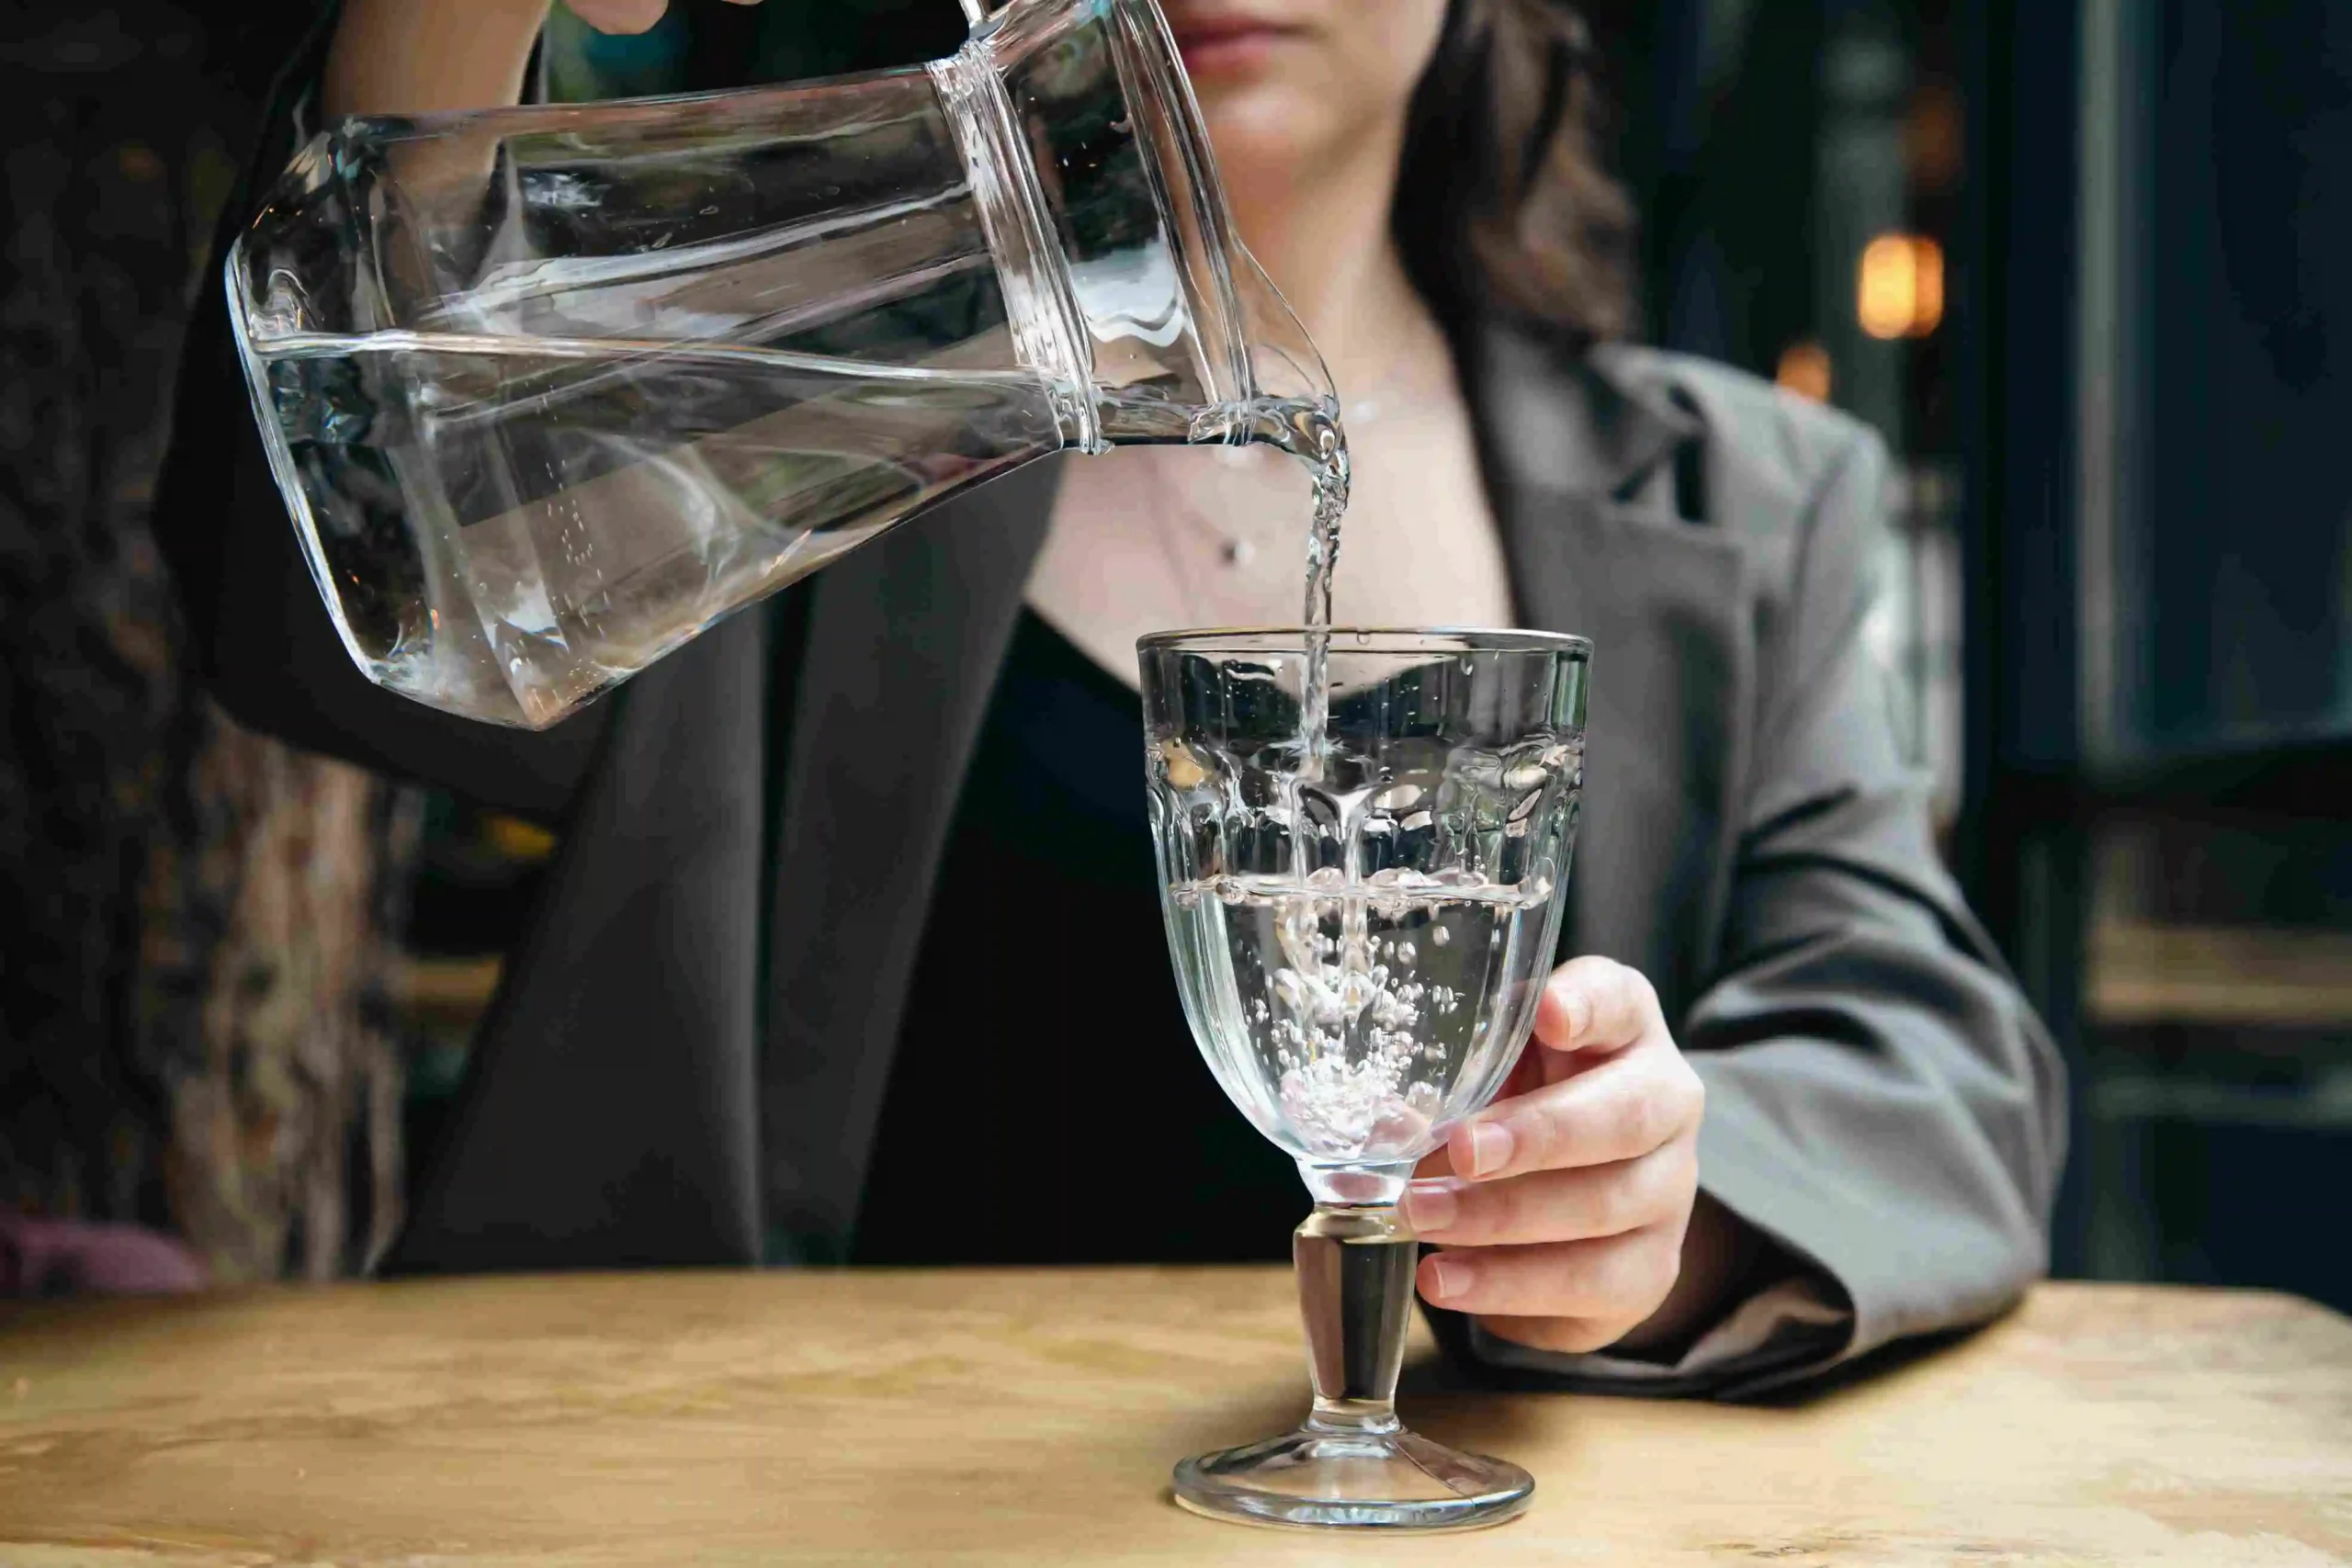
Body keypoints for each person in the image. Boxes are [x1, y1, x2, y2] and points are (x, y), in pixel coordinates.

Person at [154, 0, 2064, 1395]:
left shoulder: (1747, 495)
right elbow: (313, 602)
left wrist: (1671, 1206)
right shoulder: (799, 428)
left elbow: (1937, 1071)